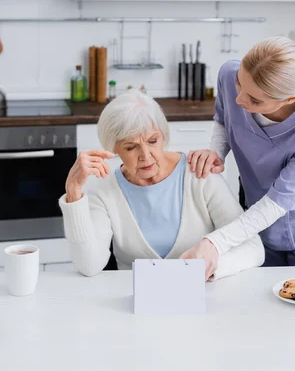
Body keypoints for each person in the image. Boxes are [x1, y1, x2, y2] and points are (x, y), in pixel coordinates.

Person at [183, 36, 295, 280]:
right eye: (240, 84)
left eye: (255, 100)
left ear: (290, 99)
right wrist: (216, 152)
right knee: (262, 302)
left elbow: (281, 199)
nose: (239, 99)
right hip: (256, 217)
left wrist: (215, 243)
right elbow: (224, 116)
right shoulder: (230, 74)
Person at [59, 90, 264, 280]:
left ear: (163, 136)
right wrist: (73, 192)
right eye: (131, 147)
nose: (146, 156)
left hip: (202, 297)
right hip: (135, 305)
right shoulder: (104, 190)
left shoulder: (199, 175)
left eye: (153, 141)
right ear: (114, 149)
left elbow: (253, 248)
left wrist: (209, 266)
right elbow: (89, 265)